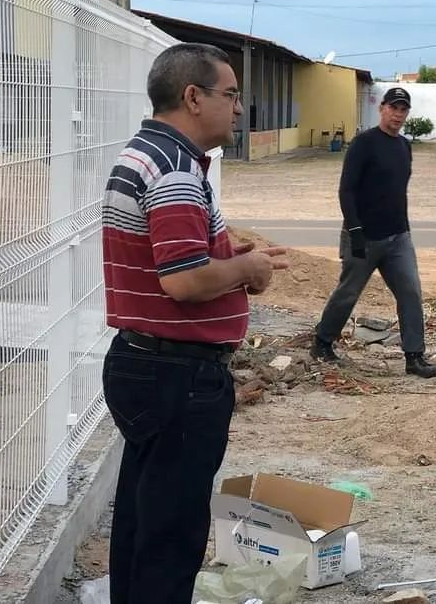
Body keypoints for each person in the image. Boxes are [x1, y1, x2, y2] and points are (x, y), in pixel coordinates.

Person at [101, 43, 288, 603]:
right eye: (230, 94)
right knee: (171, 535)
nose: (239, 108)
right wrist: (245, 270)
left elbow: (178, 261)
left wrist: (231, 264)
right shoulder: (176, 170)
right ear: (192, 97)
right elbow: (183, 281)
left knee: (144, 521)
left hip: (149, 366)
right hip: (177, 375)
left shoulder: (146, 155)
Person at [309, 86, 436, 379]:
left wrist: (405, 229)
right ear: (382, 108)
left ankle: (414, 356)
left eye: (403, 109)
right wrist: (355, 229)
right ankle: (322, 343)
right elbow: (346, 190)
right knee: (348, 292)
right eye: (393, 108)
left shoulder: (404, 146)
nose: (398, 114)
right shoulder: (364, 143)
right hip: (363, 237)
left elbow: (398, 192)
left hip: (398, 238)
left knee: (410, 292)